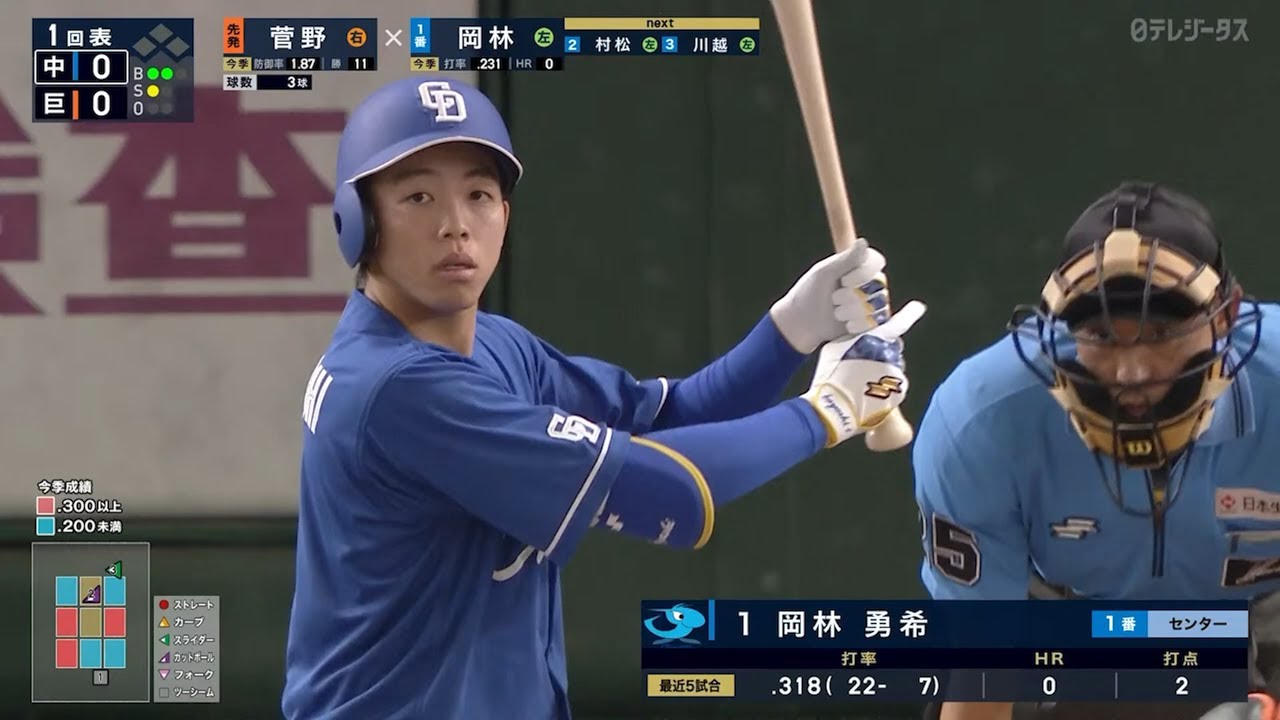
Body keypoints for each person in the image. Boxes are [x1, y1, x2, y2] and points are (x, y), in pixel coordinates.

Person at [280, 76, 927, 719]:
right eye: (418, 197)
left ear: (505, 213)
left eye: (478, 194)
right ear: (359, 221)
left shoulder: (494, 345)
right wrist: (830, 411)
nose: (456, 226)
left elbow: (669, 416)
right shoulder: (399, 388)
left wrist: (791, 330)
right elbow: (669, 489)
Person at [912, 182, 1279, 720]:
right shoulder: (983, 419)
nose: (1131, 371)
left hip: (1261, 617)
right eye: (1101, 335)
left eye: (1161, 330)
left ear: (1227, 316)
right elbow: (981, 673)